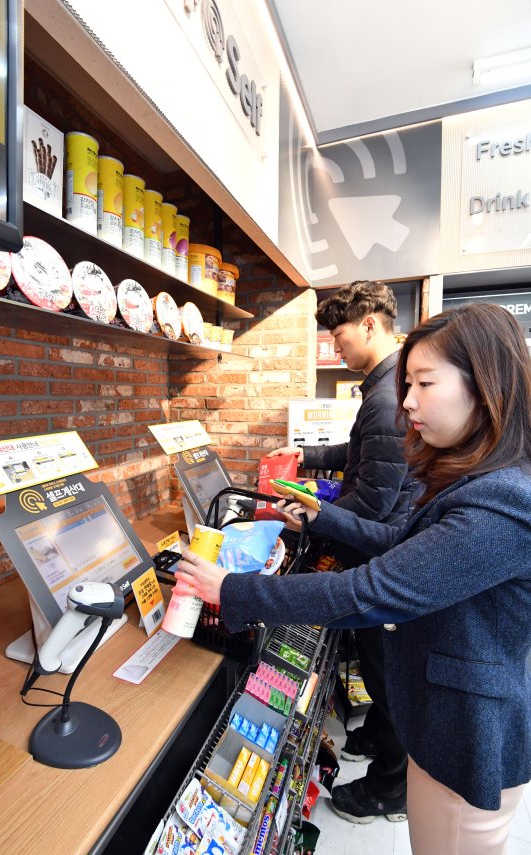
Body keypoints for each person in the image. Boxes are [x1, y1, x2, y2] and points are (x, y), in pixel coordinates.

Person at [175, 304, 531, 855]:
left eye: (425, 383)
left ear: (485, 386)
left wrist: (232, 589)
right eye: (408, 383)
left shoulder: (500, 501)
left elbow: (371, 590)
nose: (408, 401)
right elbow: (406, 551)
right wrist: (322, 513)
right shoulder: (480, 477)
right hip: (442, 724)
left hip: (465, 738)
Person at [268, 280, 412, 822]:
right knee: (380, 668)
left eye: (341, 332)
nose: (336, 345)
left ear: (371, 323)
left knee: (386, 673)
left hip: (384, 556)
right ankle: (377, 732)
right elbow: (361, 454)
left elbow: (372, 505)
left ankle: (390, 792)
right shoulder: (383, 388)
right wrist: (305, 458)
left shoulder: (385, 394)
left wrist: (313, 516)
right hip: (384, 548)